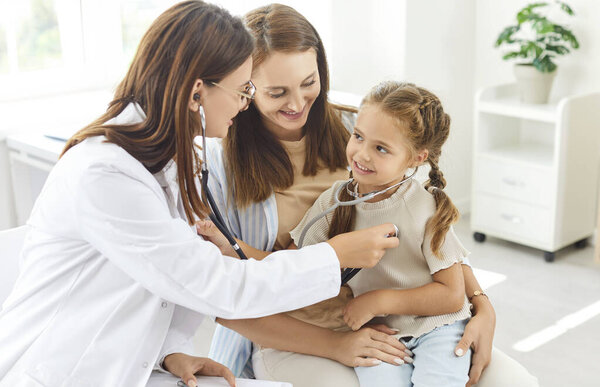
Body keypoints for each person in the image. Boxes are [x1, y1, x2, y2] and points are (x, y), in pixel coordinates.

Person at [0, 2, 399, 386]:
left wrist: (169, 350)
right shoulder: (104, 175)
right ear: (196, 93)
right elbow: (216, 284)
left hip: (127, 367)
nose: (245, 104)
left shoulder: (176, 159)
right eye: (244, 89)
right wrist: (335, 257)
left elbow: (159, 281)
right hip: (53, 373)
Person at [193, 4, 539, 387]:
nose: (296, 104)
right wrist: (336, 345)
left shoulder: (359, 130)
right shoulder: (218, 163)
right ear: (246, 87)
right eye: (277, 92)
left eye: (308, 83)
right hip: (295, 334)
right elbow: (227, 302)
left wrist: (479, 304)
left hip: (393, 322)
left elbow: (423, 232)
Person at [290, 80, 471, 386]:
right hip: (380, 332)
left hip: (437, 327)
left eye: (381, 148)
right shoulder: (334, 202)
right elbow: (293, 264)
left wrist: (378, 301)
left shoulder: (426, 208)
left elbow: (452, 296)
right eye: (358, 137)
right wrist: (231, 249)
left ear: (417, 158)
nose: (361, 154)